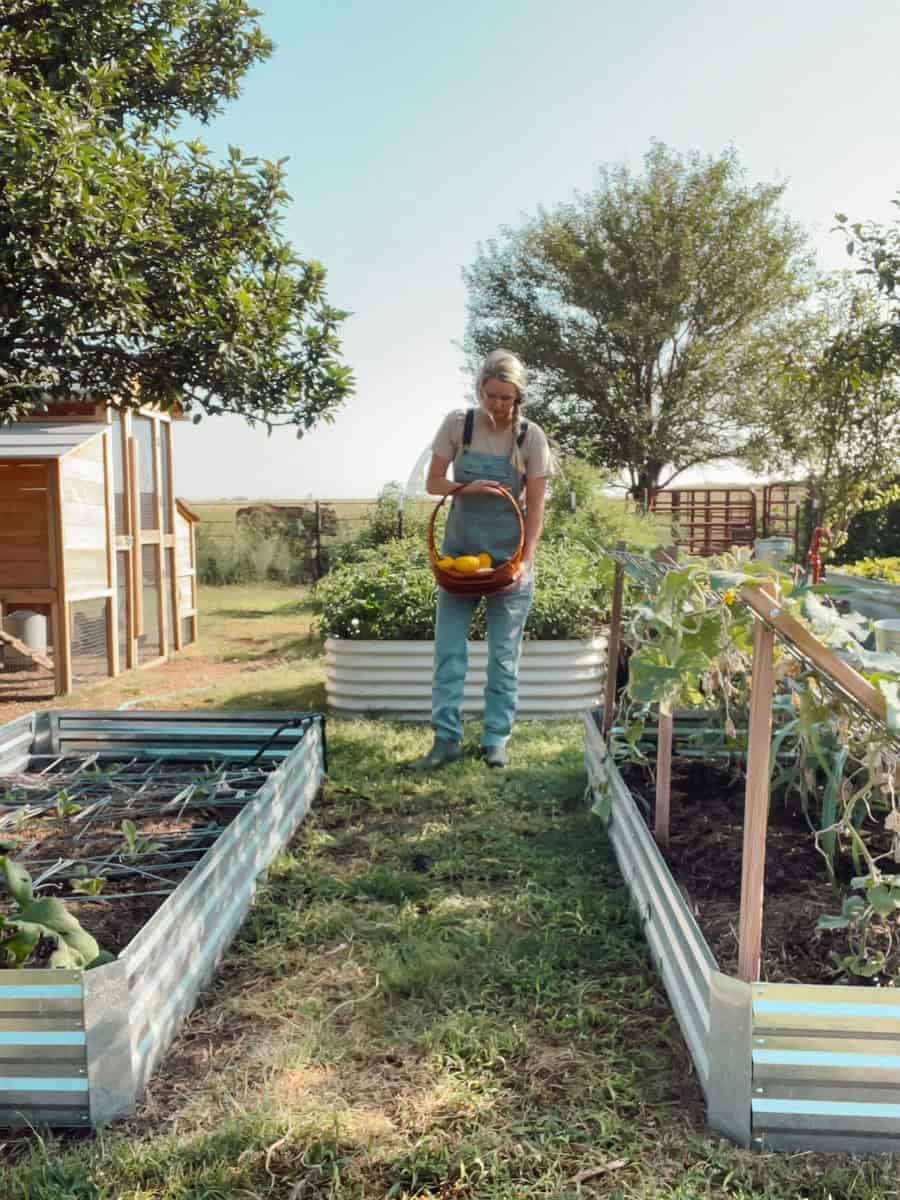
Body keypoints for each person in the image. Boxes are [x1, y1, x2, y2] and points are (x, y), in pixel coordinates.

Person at [405, 348, 553, 771]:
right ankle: (445, 739)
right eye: (491, 395)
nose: (499, 405)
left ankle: (495, 740)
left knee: (503, 657)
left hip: (509, 559)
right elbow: (434, 483)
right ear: (479, 390)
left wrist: (524, 562)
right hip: (460, 558)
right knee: (449, 651)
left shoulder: (529, 437)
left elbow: (537, 509)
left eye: (507, 398)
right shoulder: (458, 425)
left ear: (518, 397)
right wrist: (472, 488)